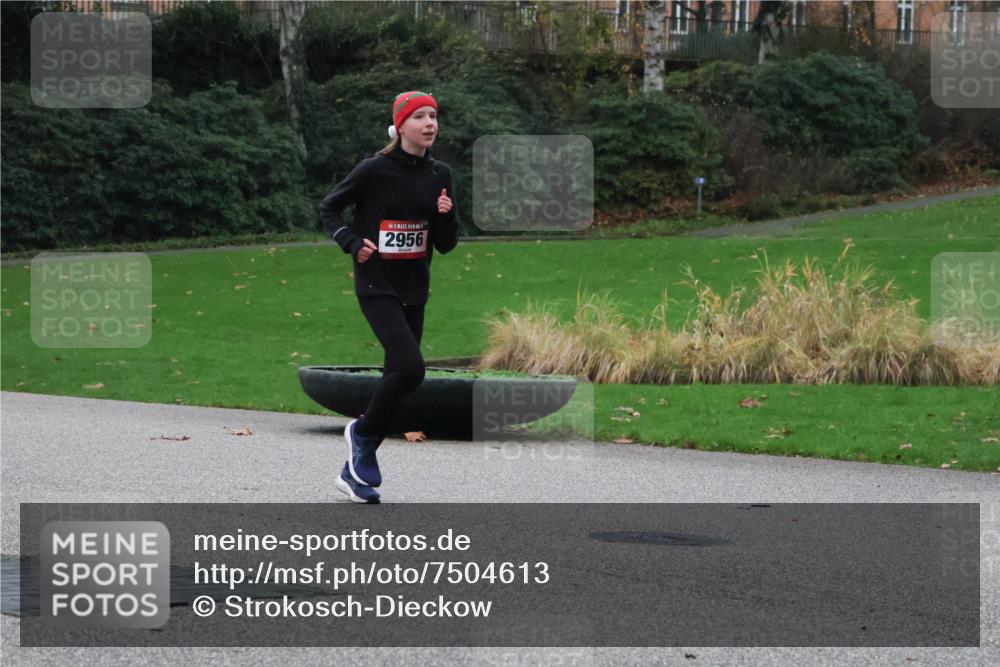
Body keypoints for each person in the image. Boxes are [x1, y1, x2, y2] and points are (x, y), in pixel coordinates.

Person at [318, 90, 460, 503]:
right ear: (401, 126)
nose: (430, 123)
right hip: (377, 282)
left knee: (396, 378)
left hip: (416, 285)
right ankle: (361, 433)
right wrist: (350, 240)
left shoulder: (441, 175)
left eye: (434, 115)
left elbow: (447, 244)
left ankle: (354, 471)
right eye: (420, 117)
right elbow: (329, 208)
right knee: (411, 369)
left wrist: (446, 216)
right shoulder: (373, 170)